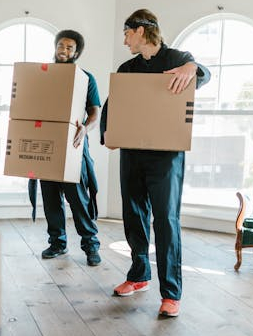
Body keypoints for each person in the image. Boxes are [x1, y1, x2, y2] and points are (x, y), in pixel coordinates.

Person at [99, 9, 211, 317]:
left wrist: (192, 67)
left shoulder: (177, 59)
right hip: (132, 154)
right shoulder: (127, 68)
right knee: (133, 217)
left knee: (165, 221)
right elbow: (113, 104)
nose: (124, 41)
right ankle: (138, 276)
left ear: (140, 31)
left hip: (166, 158)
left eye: (126, 34)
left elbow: (204, 74)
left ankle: (171, 293)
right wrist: (106, 133)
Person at [28, 29, 102, 267]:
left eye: (70, 47)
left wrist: (85, 129)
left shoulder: (85, 78)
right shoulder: (43, 75)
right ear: (55, 46)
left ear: (76, 52)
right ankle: (57, 243)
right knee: (50, 198)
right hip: (47, 143)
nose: (64, 50)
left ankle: (91, 245)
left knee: (78, 199)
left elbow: (95, 113)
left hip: (73, 144)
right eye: (61, 45)